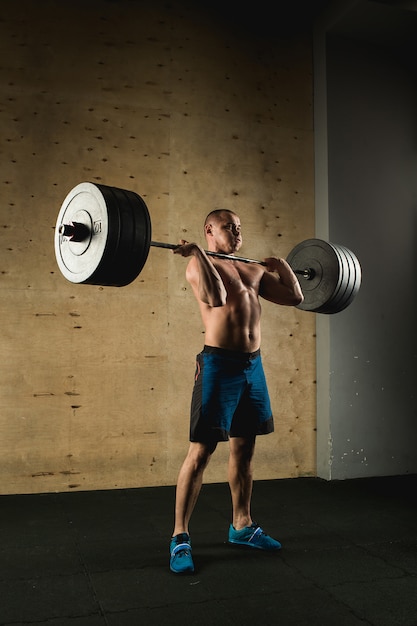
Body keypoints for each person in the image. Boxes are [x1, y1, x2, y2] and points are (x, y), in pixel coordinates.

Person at [170, 208, 304, 574]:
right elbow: (215, 298)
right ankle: (180, 536)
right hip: (219, 365)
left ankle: (241, 526)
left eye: (240, 227)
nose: (237, 232)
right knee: (201, 451)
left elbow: (295, 297)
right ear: (209, 230)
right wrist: (198, 252)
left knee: (244, 448)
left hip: (252, 366)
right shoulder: (197, 265)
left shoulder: (253, 269)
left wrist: (283, 266)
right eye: (229, 227)